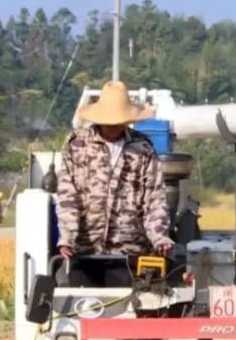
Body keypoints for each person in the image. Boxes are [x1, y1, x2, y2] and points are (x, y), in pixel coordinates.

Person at [55, 80, 174, 261]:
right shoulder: (77, 145)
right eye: (109, 121)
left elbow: (154, 197)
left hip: (130, 250)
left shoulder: (142, 148)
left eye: (119, 121)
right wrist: (67, 237)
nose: (113, 126)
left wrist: (159, 237)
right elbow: (68, 195)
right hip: (85, 249)